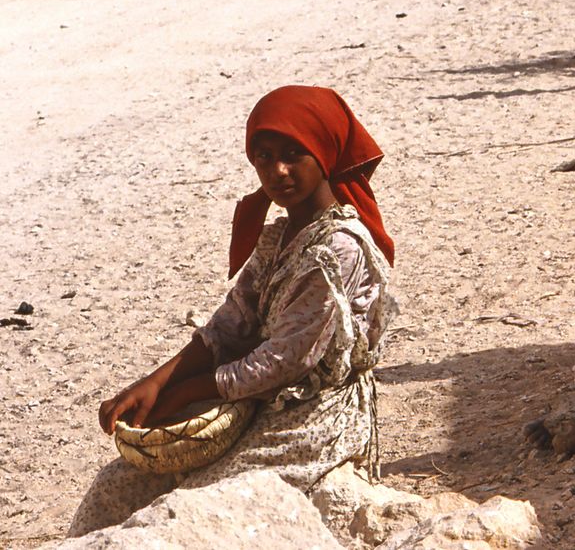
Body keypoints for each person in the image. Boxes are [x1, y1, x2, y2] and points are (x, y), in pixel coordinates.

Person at [68, 85, 395, 536]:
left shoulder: (337, 249)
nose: (277, 170)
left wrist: (186, 394)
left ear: (325, 152)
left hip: (311, 413)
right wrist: (156, 383)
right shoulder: (277, 237)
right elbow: (229, 325)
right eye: (263, 156)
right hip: (250, 396)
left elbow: (284, 360)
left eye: (293, 153)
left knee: (201, 501)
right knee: (117, 483)